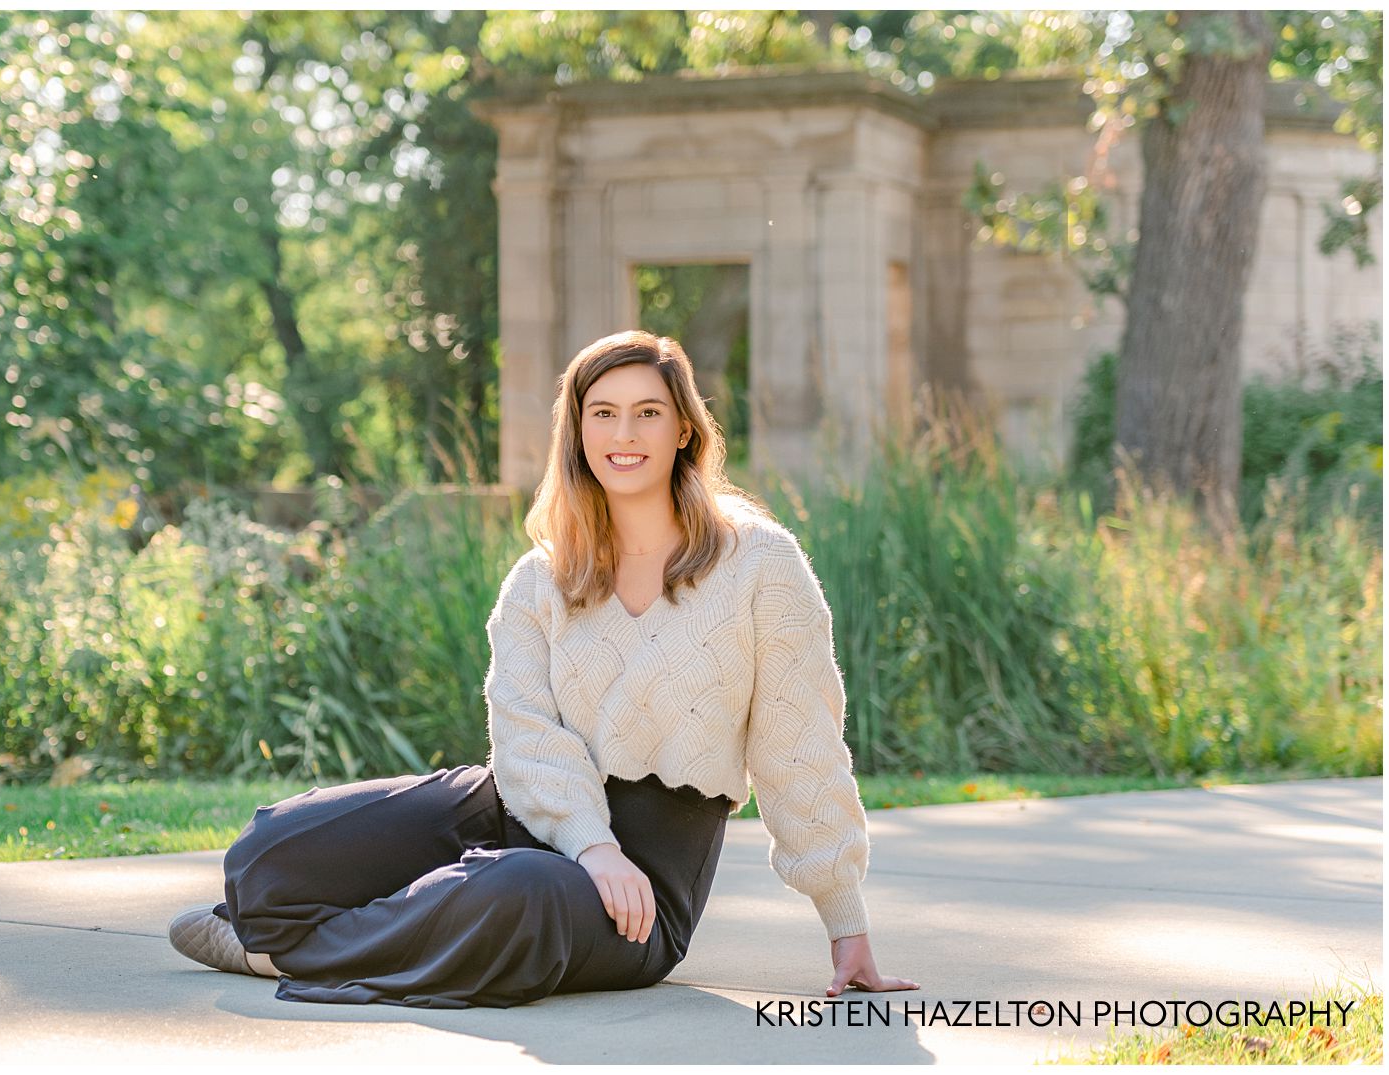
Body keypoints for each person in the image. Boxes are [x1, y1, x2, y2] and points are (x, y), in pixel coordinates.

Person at [168, 329, 919, 1006]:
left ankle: (275, 951)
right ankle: (319, 927)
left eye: (648, 412)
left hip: (641, 884)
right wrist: (588, 841)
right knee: (270, 851)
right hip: (519, 806)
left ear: (685, 429)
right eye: (603, 412)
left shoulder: (760, 564)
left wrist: (845, 925)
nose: (624, 433)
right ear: (578, 430)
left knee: (512, 892)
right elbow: (522, 730)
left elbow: (801, 747)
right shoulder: (540, 577)